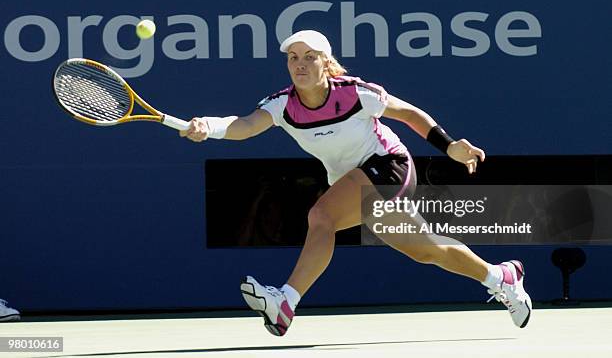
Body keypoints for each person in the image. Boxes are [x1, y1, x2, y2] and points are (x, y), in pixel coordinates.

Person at [181, 30, 532, 336]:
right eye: (293, 58)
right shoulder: (282, 105)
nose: (299, 64)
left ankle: (286, 302)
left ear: (326, 63)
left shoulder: (354, 93)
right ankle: (501, 277)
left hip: (389, 166)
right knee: (426, 250)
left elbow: (408, 113)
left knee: (322, 217)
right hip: (351, 180)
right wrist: (207, 127)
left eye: (309, 57)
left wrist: (449, 145)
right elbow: (245, 126)